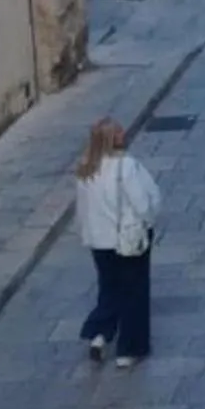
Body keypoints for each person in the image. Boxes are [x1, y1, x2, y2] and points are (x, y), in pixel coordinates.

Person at [77, 119, 162, 370]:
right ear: (112, 138)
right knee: (134, 292)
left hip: (98, 240)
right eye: (119, 131)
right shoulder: (126, 166)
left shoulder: (86, 168)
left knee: (109, 287)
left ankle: (99, 334)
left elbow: (82, 208)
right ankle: (129, 348)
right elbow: (142, 202)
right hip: (126, 238)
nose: (123, 133)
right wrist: (148, 221)